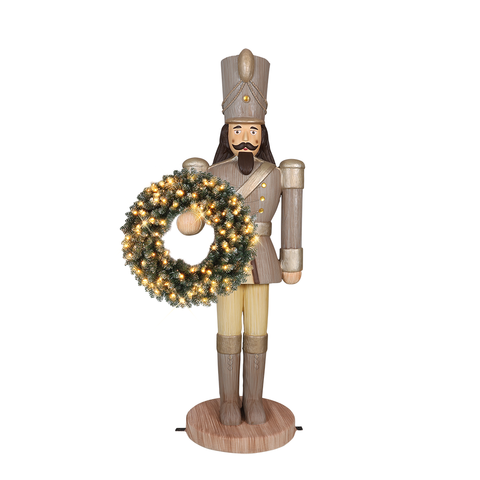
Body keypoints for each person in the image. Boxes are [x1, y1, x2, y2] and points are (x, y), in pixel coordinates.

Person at [180, 49, 304, 426]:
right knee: (229, 333)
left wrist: (291, 258)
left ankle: (253, 400)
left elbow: (292, 217)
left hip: (263, 258)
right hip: (226, 258)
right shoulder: (214, 173)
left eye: (252, 130)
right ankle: (228, 403)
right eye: (238, 129)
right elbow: (196, 219)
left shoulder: (277, 173)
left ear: (262, 133)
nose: (245, 138)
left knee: (258, 334)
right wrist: (190, 214)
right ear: (226, 133)